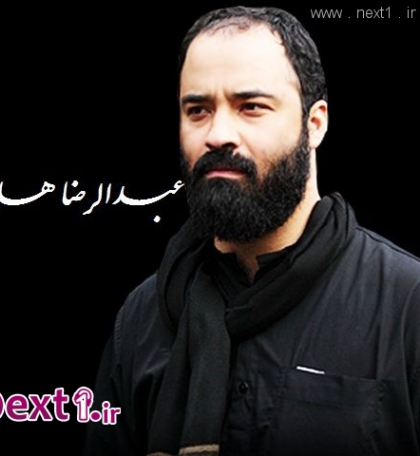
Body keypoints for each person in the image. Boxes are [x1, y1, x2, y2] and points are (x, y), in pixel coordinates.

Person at [84, 6, 420, 455]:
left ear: (315, 123)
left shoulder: (407, 304)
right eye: (198, 110)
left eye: (251, 107)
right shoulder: (142, 319)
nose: (218, 134)